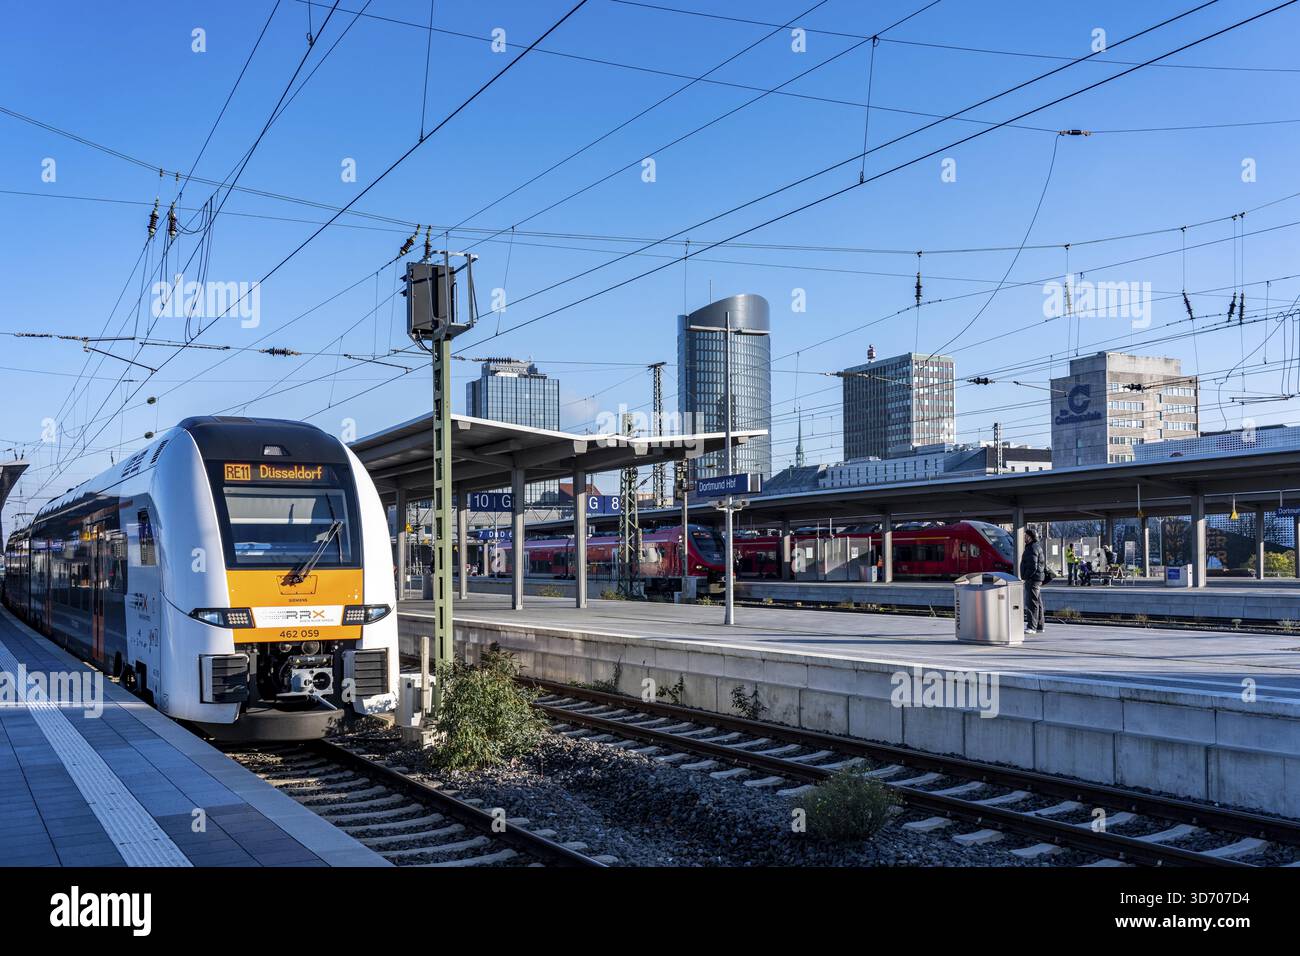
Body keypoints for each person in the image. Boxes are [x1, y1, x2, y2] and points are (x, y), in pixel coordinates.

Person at [1019, 527, 1047, 634]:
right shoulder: (1036, 547)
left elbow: (1032, 566)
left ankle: (1032, 627)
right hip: (1037, 578)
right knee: (1038, 602)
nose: (1024, 538)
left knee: (1031, 603)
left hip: (1033, 579)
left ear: (1030, 537)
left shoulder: (1031, 548)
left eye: (1025, 536)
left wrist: (1026, 576)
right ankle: (1040, 626)